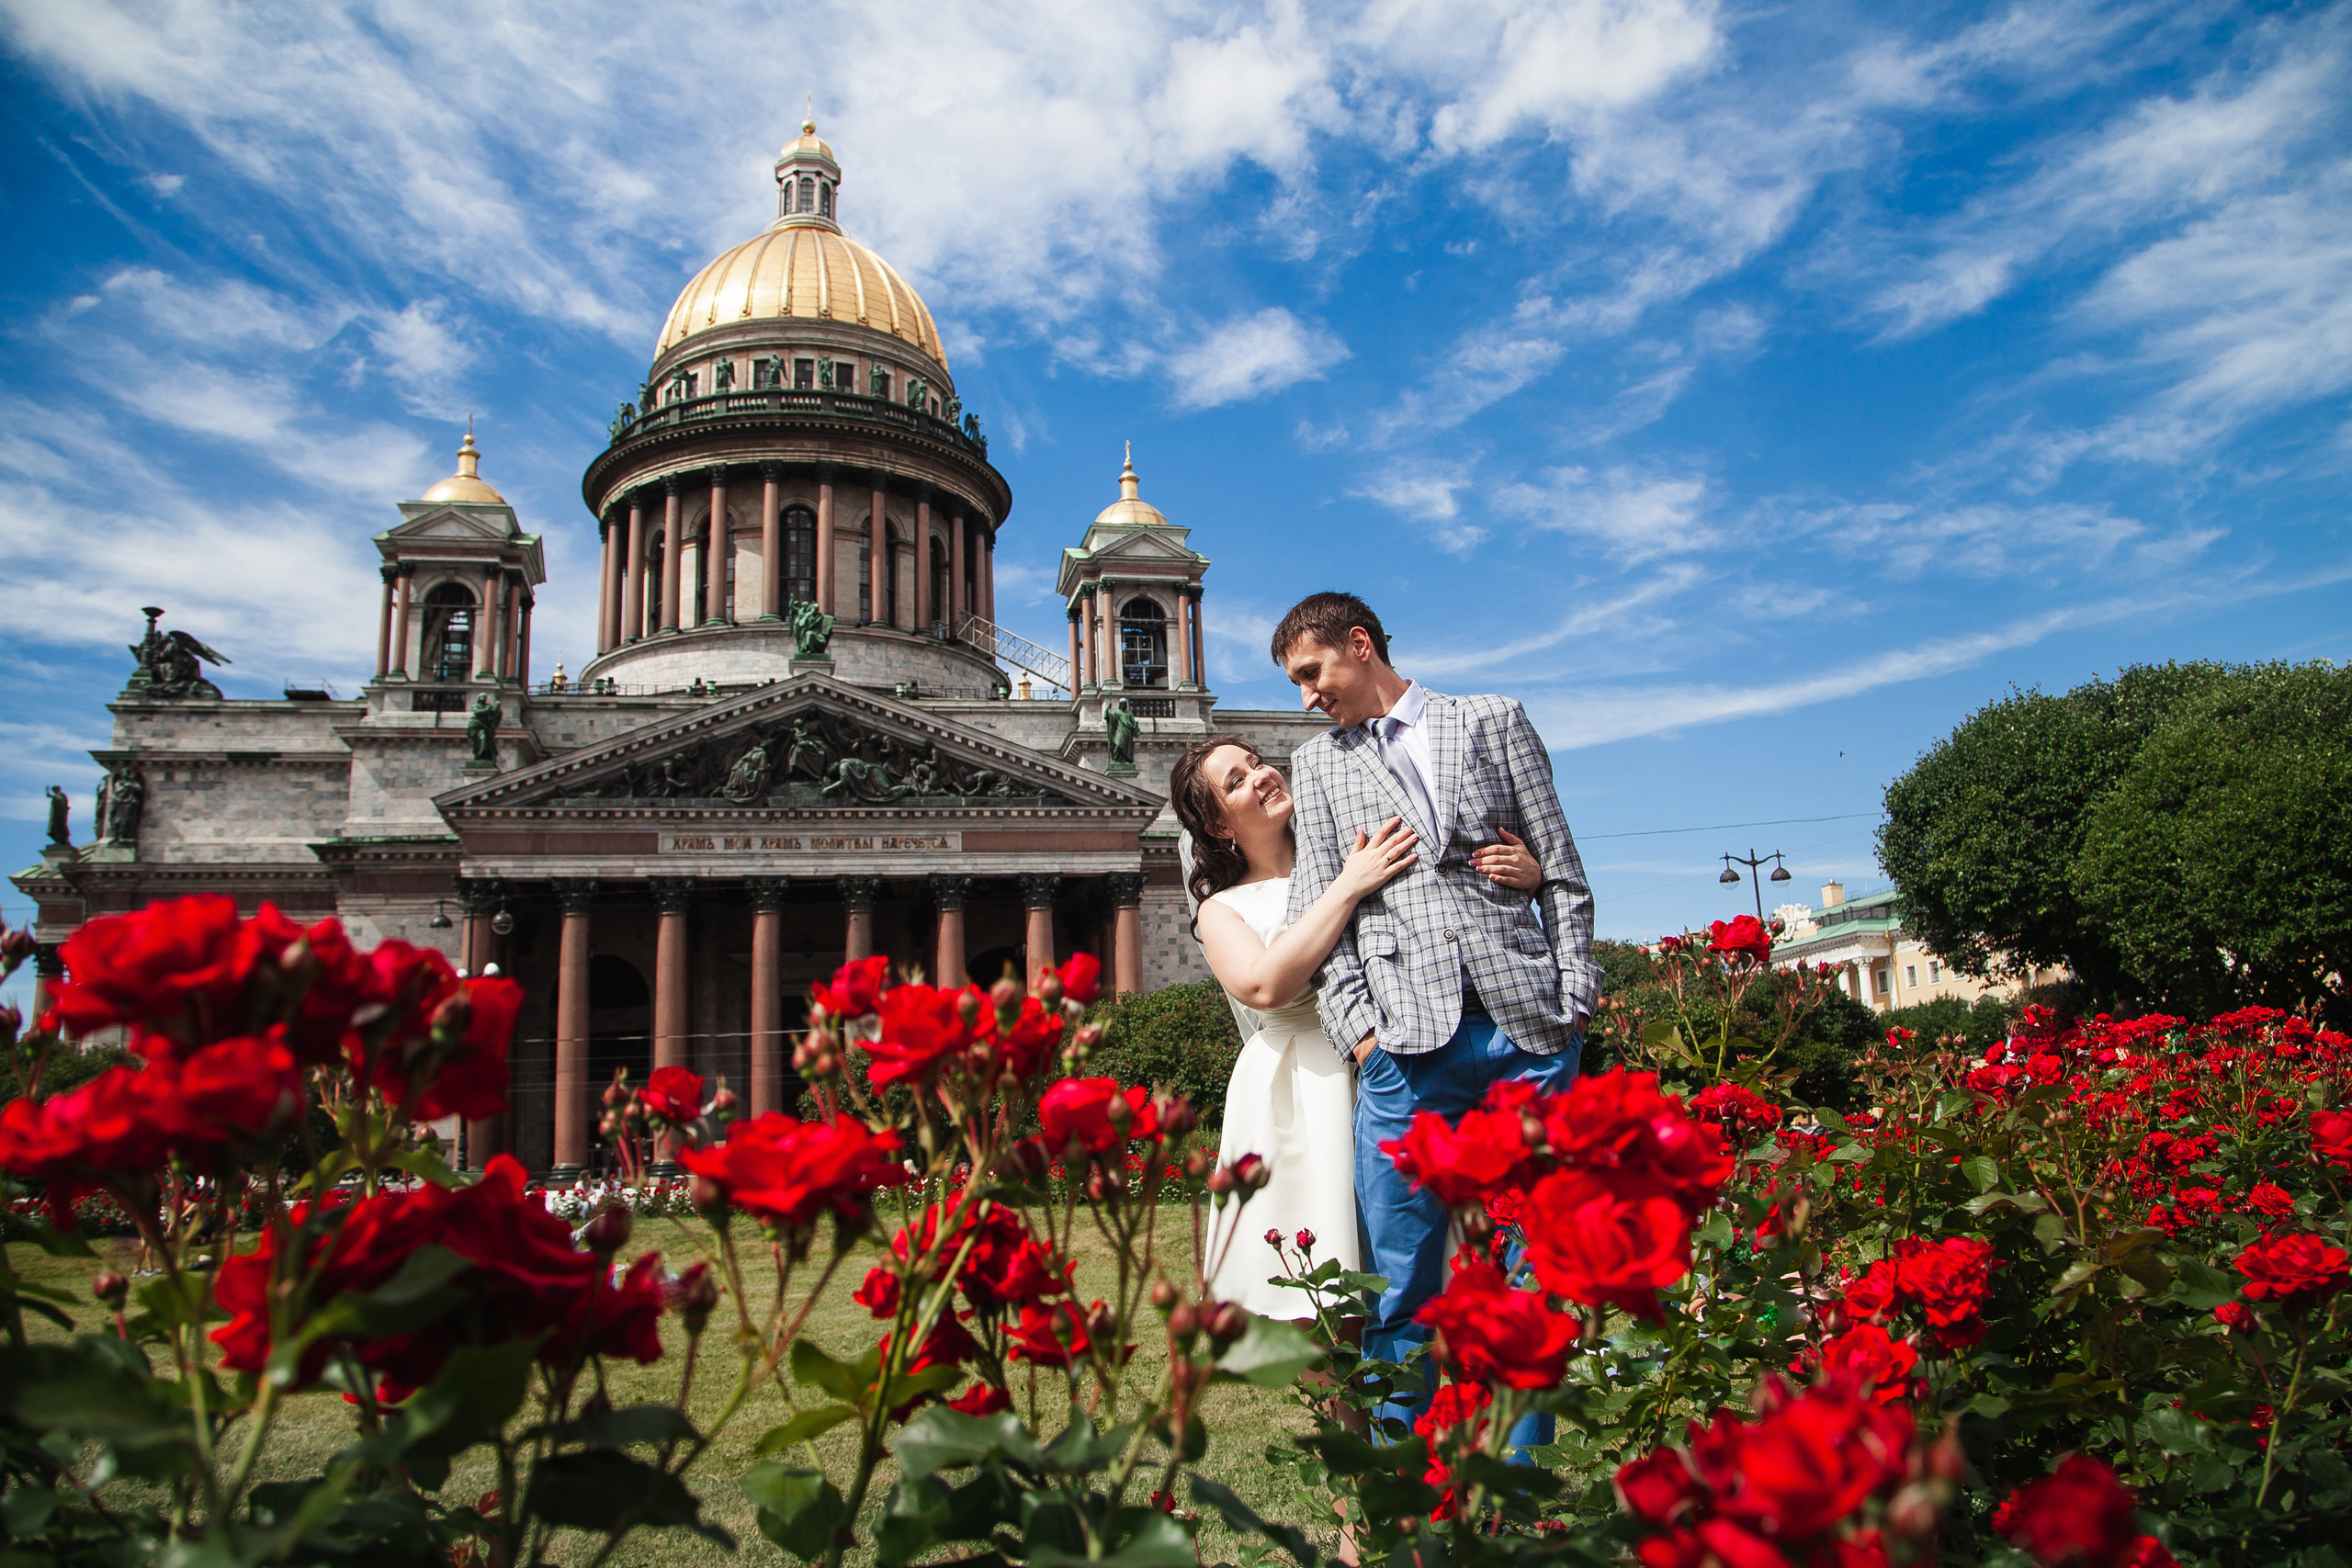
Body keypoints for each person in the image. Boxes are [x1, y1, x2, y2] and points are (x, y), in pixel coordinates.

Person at [1273, 592, 1597, 1431]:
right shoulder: (1319, 766)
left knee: (1540, 1274)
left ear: (1359, 643)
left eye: (1312, 673)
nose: (1307, 697)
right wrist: (1362, 1037)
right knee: (1399, 1284)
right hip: (1406, 1051)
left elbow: (1561, 868)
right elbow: (1323, 909)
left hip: (1528, 1027)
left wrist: (1575, 1000)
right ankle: (1401, 1503)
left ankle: (1520, 1491)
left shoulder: (1492, 718)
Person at [1169, 734, 1544, 1320]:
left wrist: (1528, 872)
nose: (1261, 776)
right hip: (1302, 1087)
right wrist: (1347, 886)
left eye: (1257, 762)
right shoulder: (1223, 909)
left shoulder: (1355, 847)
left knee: (1435, 1266)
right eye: (1236, 781)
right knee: (1328, 1289)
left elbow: (1448, 897)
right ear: (1219, 826)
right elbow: (1265, 986)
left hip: (1405, 1057)